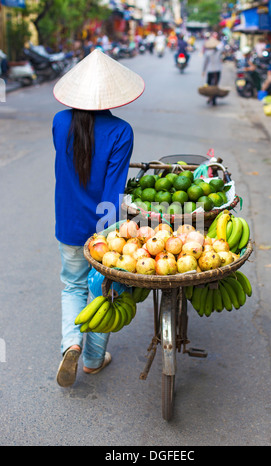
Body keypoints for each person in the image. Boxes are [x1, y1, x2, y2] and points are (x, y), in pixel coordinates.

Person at [53, 49, 145, 388]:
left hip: (67, 222)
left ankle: (71, 344)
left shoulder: (60, 122)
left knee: (72, 285)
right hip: (102, 229)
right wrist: (109, 236)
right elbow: (113, 191)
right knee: (103, 290)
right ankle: (92, 360)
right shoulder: (121, 131)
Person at [202, 34, 224, 105]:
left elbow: (205, 63)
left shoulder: (208, 53)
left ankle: (210, 97)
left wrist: (203, 71)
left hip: (210, 70)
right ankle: (212, 98)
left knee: (209, 85)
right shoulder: (218, 52)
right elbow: (222, 46)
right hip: (217, 70)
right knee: (215, 85)